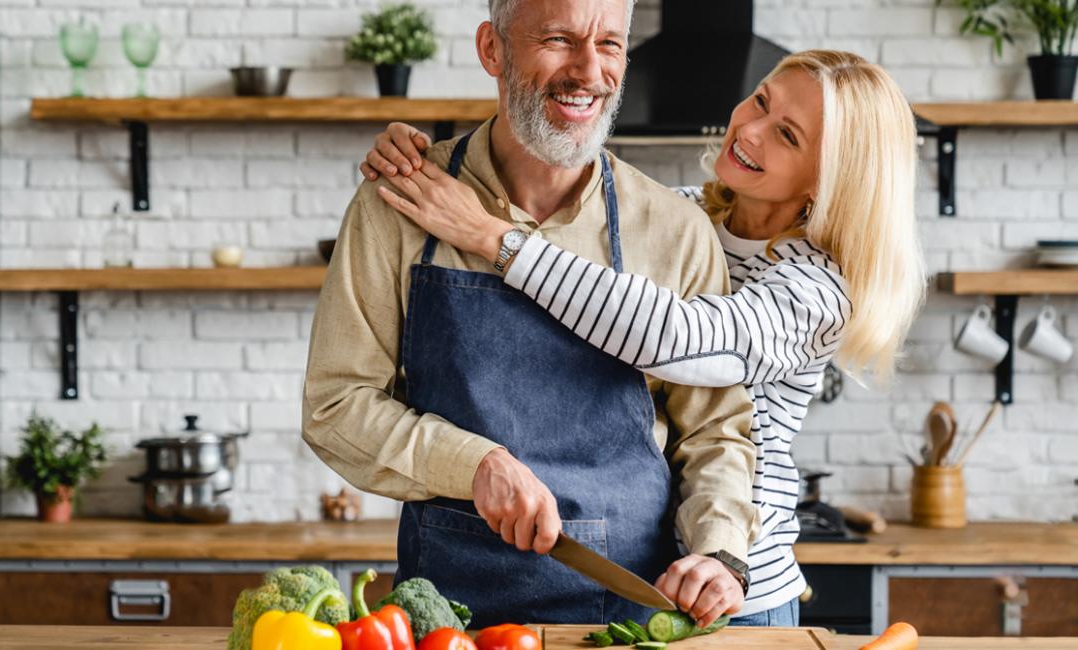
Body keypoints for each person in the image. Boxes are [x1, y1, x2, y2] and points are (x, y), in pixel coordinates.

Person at [357, 49, 926, 626]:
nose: (750, 130)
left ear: (831, 178)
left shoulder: (815, 289)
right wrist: (427, 163)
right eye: (760, 102)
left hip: (733, 582)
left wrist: (490, 237)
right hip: (650, 569)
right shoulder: (682, 217)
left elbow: (676, 340)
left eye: (787, 134)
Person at [303, 0, 760, 631]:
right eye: (558, 39)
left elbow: (713, 430)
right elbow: (336, 404)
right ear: (491, 49)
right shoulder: (400, 200)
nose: (589, 70)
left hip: (629, 618)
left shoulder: (674, 230)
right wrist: (474, 464)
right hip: (446, 619)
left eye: (610, 44)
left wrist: (718, 550)